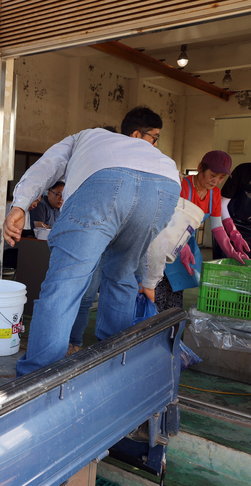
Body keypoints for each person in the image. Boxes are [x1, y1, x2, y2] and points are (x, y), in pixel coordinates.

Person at [4, 106, 180, 376]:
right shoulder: (153, 154)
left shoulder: (83, 137)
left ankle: (36, 377)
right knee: (122, 278)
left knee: (66, 283)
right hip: (165, 184)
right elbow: (158, 241)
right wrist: (150, 281)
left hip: (104, 183)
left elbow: (47, 166)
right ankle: (114, 370)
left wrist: (20, 205)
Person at [68, 114, 163, 350]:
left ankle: (113, 346)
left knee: (126, 288)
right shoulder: (97, 162)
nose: (157, 144)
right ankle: (74, 344)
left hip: (126, 237)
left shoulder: (146, 164)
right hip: (97, 235)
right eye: (155, 137)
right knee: (88, 295)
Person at [153, 151, 236, 312]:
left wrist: (231, 251)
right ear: (200, 168)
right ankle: (152, 333)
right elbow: (167, 221)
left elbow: (217, 228)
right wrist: (180, 246)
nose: (215, 181)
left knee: (175, 297)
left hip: (185, 246)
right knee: (157, 293)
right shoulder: (181, 186)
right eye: (212, 175)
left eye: (221, 178)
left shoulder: (215, 194)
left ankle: (171, 334)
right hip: (164, 242)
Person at [212, 162, 251, 261]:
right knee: (223, 267)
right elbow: (222, 204)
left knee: (247, 270)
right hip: (226, 225)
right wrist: (233, 232)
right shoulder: (244, 171)